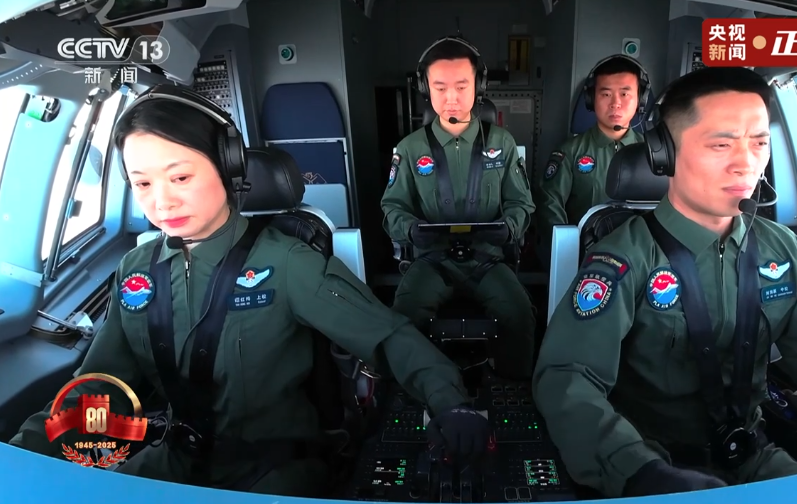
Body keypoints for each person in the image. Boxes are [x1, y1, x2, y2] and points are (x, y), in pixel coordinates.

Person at [9, 85, 489, 496]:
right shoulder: (137, 272)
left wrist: (449, 401)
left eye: (180, 177)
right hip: (176, 457)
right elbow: (101, 386)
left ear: (228, 166)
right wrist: (24, 454)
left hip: (275, 467)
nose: (162, 201)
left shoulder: (288, 261)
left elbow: (387, 336)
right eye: (143, 184)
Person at [532, 67, 797, 498]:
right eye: (721, 144)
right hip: (654, 466)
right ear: (664, 153)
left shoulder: (782, 250)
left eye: (758, 142)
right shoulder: (622, 259)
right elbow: (567, 377)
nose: (746, 163)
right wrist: (637, 470)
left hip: (753, 456)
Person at [381, 37, 536, 379]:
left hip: (487, 258)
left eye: (462, 86)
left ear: (479, 86)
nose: (451, 97)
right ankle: (415, 394)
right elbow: (392, 207)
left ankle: (513, 391)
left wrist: (510, 227)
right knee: (403, 317)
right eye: (440, 88)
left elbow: (521, 202)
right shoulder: (409, 149)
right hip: (432, 260)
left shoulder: (502, 143)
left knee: (519, 315)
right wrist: (410, 229)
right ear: (426, 89)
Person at [532, 55, 651, 268]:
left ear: (640, 100)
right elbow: (550, 206)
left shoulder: (651, 154)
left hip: (640, 260)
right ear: (591, 99)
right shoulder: (570, 152)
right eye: (606, 94)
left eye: (625, 94)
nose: (615, 103)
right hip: (585, 259)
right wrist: (569, 253)